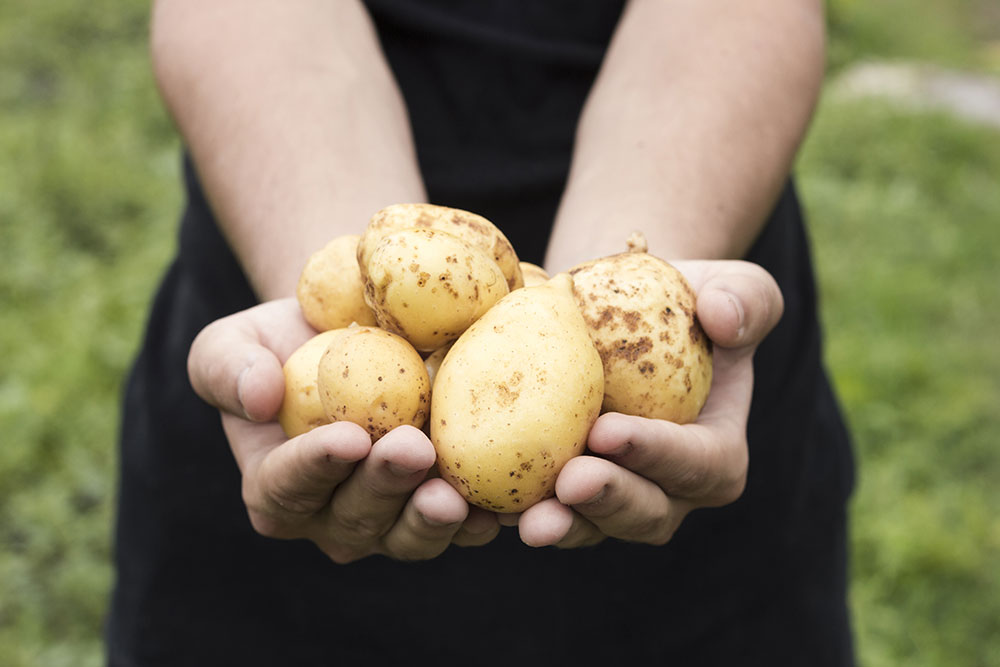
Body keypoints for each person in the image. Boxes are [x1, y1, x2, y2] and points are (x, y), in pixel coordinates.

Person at [107, 1, 855, 664]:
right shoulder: (347, 325)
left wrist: (621, 290)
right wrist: (350, 306)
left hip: (682, 207)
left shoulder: (558, 319)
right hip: (288, 200)